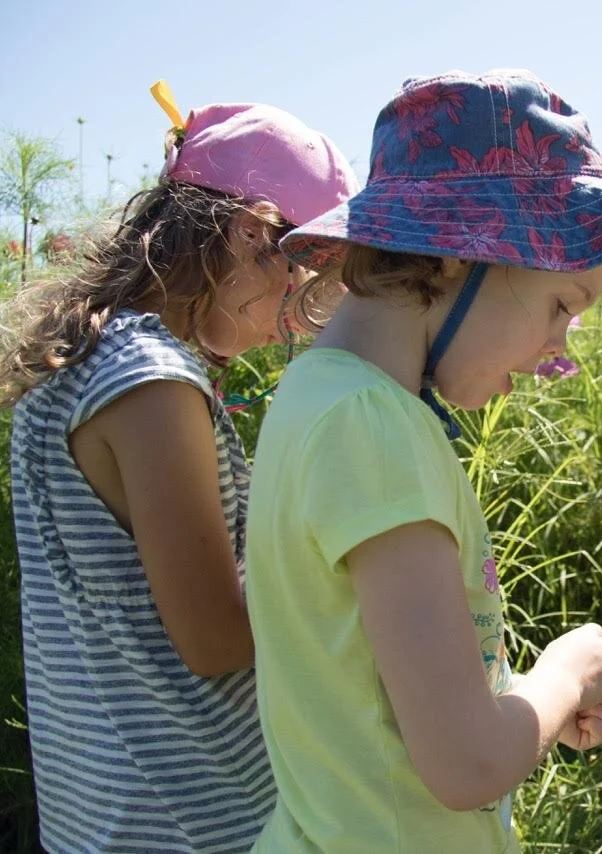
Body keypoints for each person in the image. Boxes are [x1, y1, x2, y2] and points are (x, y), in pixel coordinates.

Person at [243, 69, 602, 853]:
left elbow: (374, 694)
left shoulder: (318, 400)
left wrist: (522, 713)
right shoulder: (371, 426)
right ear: (452, 256)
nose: (558, 353)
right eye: (561, 306)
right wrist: (562, 675)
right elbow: (468, 762)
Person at [1, 91, 358, 852]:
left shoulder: (87, 361)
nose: (296, 319)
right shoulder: (152, 381)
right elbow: (216, 640)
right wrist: (339, 563)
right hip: (189, 821)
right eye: (309, 282)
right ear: (250, 236)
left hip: (104, 805)